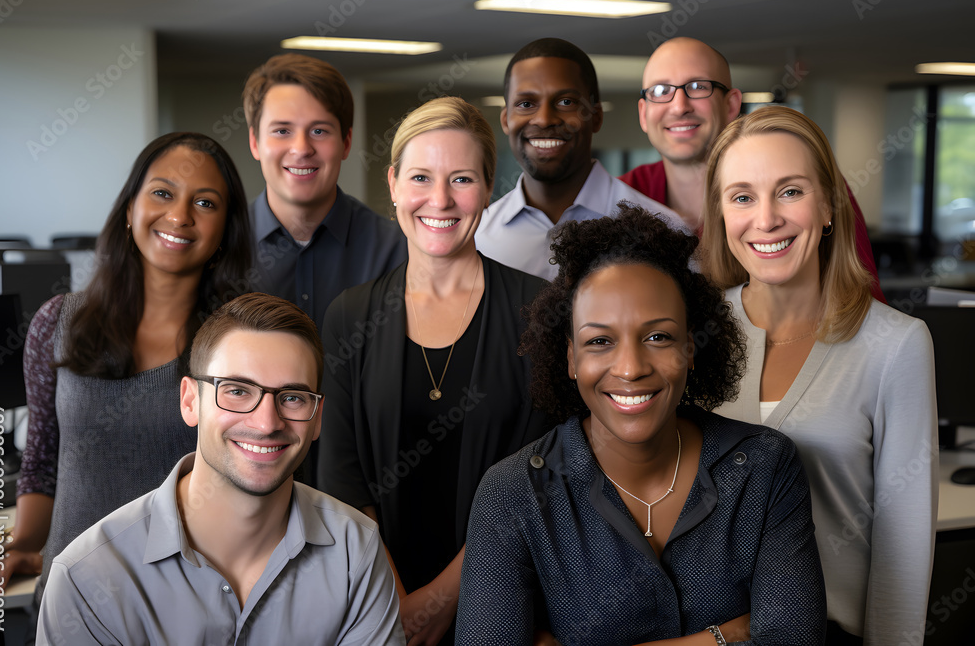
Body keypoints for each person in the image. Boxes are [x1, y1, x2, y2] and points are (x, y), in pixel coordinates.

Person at [457, 204, 827, 645]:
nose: (630, 368)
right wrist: (725, 636)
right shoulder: (512, 495)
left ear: (691, 348)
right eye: (599, 341)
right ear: (571, 359)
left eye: (658, 337)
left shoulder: (764, 468)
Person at [317, 96, 554, 646]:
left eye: (462, 179)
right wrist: (395, 603)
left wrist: (439, 602)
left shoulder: (540, 315)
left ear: (490, 189)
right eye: (421, 177)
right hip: (369, 602)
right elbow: (340, 479)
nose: (440, 200)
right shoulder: (349, 315)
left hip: (507, 601)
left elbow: (541, 479)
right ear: (394, 183)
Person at [37, 293, 404, 645]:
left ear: (317, 417)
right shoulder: (85, 579)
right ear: (190, 401)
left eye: (292, 398)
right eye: (237, 391)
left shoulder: (356, 552)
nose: (266, 423)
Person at [0, 133, 252, 609]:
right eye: (163, 193)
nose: (179, 216)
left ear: (225, 231)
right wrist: (25, 543)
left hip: (193, 606)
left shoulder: (241, 343)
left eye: (205, 203)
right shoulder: (57, 322)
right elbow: (43, 462)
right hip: (74, 600)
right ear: (130, 209)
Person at [702, 105, 937, 645]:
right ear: (720, 214)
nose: (766, 219)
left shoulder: (896, 345)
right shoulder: (695, 332)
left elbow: (904, 541)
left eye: (790, 191)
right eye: (742, 197)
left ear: (829, 204)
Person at [620, 36, 885, 302]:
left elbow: (864, 309)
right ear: (644, 114)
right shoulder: (617, 197)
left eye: (698, 86)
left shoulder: (807, 184)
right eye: (660, 91)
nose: (679, 106)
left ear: (731, 105)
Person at [475, 37, 687, 281]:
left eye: (566, 102)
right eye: (526, 104)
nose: (544, 120)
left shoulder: (665, 231)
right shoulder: (477, 236)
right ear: (506, 120)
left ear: (596, 117)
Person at [243, 53, 406, 327]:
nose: (302, 149)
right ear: (255, 142)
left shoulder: (396, 249)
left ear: (346, 142)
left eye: (319, 131)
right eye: (282, 131)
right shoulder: (219, 245)